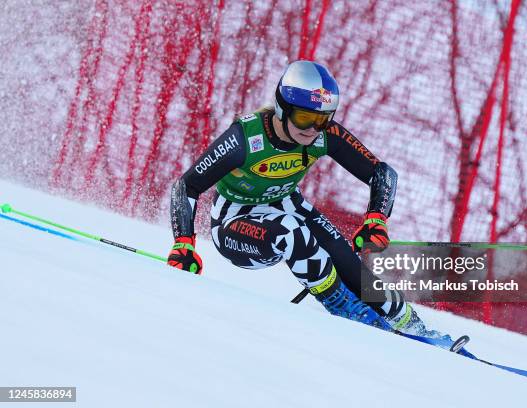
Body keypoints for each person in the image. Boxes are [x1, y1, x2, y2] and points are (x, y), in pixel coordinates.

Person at [167, 60, 443, 338]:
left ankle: (411, 324)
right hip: (234, 222)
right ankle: (348, 310)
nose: (312, 129)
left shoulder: (325, 136)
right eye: (303, 118)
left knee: (349, 265)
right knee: (292, 232)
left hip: (288, 205)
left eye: (323, 119)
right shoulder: (244, 138)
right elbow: (187, 186)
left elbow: (382, 173)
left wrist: (376, 217)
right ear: (281, 107)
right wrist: (184, 244)